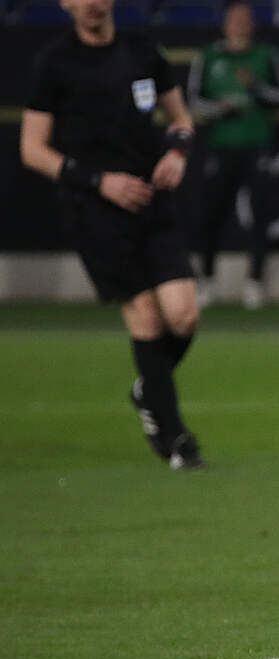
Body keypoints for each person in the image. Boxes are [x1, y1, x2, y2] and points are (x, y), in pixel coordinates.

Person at [20, 0, 203, 469]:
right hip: (95, 211)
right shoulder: (55, 62)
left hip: (151, 199)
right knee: (144, 316)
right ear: (65, 4)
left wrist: (177, 153)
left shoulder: (143, 52)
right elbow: (33, 150)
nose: (92, 4)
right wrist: (99, 181)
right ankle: (176, 440)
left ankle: (147, 391)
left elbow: (181, 120)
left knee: (182, 317)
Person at [187, 0, 279, 310]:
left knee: (261, 216)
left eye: (245, 19)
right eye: (235, 19)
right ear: (225, 23)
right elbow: (194, 100)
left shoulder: (267, 55)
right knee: (209, 217)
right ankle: (206, 281)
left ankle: (255, 284)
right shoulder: (208, 56)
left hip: (257, 144)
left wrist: (257, 88)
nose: (240, 24)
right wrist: (221, 108)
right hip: (220, 146)